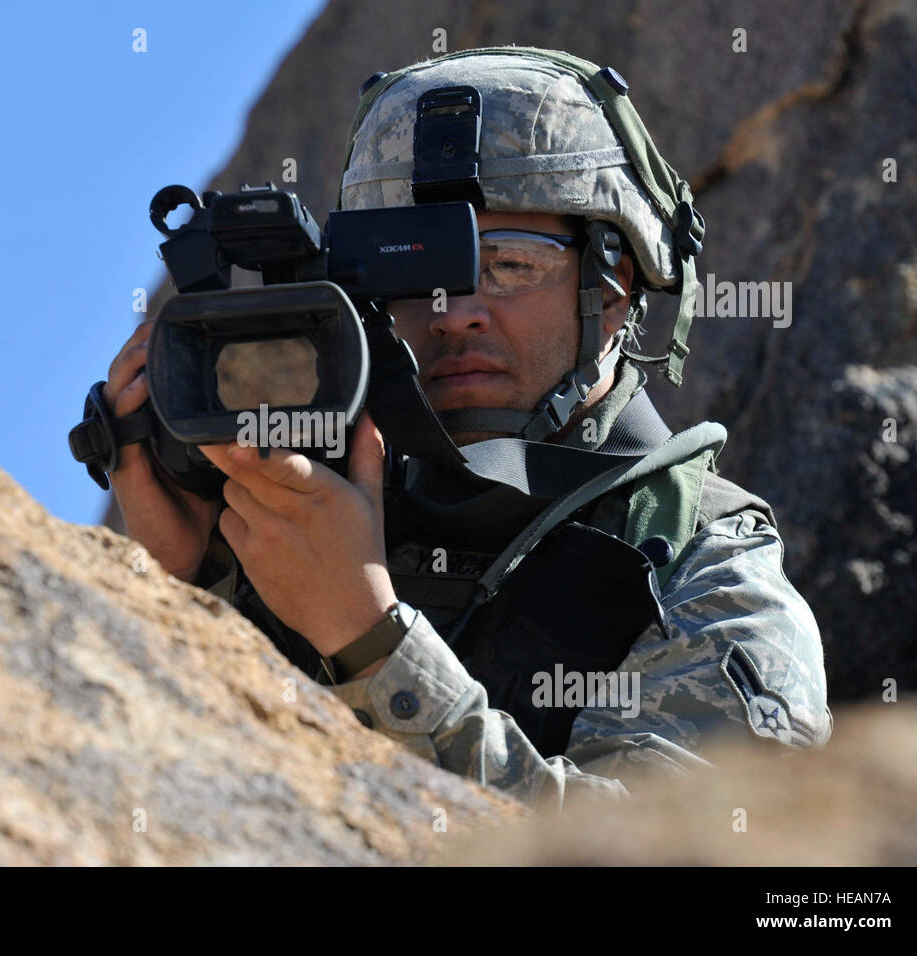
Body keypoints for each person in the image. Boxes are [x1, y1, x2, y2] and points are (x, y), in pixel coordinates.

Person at [92, 47, 832, 809]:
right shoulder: (305, 517)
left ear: (614, 287)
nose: (453, 311)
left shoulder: (706, 570)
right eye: (410, 272)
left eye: (510, 264)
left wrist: (370, 643)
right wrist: (177, 590)